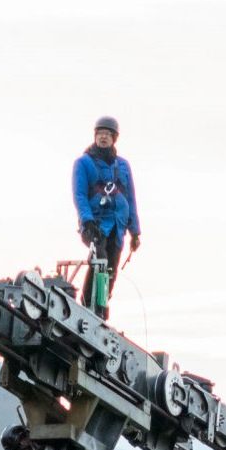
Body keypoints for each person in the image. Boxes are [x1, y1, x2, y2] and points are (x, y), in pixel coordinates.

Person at [72, 116, 140, 315]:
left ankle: (102, 305)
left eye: (108, 134)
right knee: (99, 259)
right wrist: (87, 220)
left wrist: (135, 231)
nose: (103, 138)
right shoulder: (83, 163)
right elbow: (79, 195)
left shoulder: (123, 166)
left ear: (114, 138)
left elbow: (131, 198)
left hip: (118, 225)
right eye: (100, 134)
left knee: (111, 267)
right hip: (95, 223)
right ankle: (89, 306)